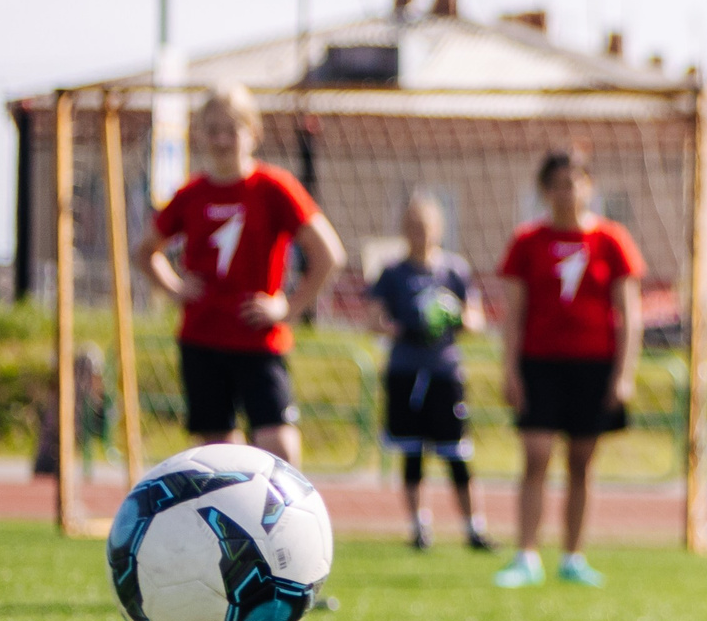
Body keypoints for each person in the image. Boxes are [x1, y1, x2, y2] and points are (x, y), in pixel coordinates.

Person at [134, 85, 344, 462]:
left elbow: (329, 254)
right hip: (202, 338)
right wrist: (175, 287)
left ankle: (283, 520)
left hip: (258, 339)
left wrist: (289, 307)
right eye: (212, 129)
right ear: (199, 134)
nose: (221, 139)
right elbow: (145, 252)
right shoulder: (191, 193)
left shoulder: (275, 188)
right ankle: (227, 522)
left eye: (231, 129)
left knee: (277, 443)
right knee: (216, 456)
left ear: (253, 133)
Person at [494, 148, 643, 588]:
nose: (567, 191)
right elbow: (514, 312)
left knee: (582, 461)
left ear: (589, 186)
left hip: (593, 364)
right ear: (545, 190)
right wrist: (510, 370)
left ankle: (573, 556)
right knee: (536, 455)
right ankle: (526, 555)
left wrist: (624, 373)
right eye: (558, 183)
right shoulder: (527, 242)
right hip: (539, 363)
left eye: (575, 181)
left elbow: (629, 313)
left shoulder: (612, 240)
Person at [367, 194, 492, 551]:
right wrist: (405, 327)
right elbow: (373, 320)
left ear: (438, 229)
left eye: (425, 226)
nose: (418, 233)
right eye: (412, 226)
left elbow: (477, 319)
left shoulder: (454, 270)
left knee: (456, 453)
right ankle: (419, 528)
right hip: (406, 370)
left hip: (444, 372)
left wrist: (454, 318)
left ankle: (473, 528)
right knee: (412, 452)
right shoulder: (392, 273)